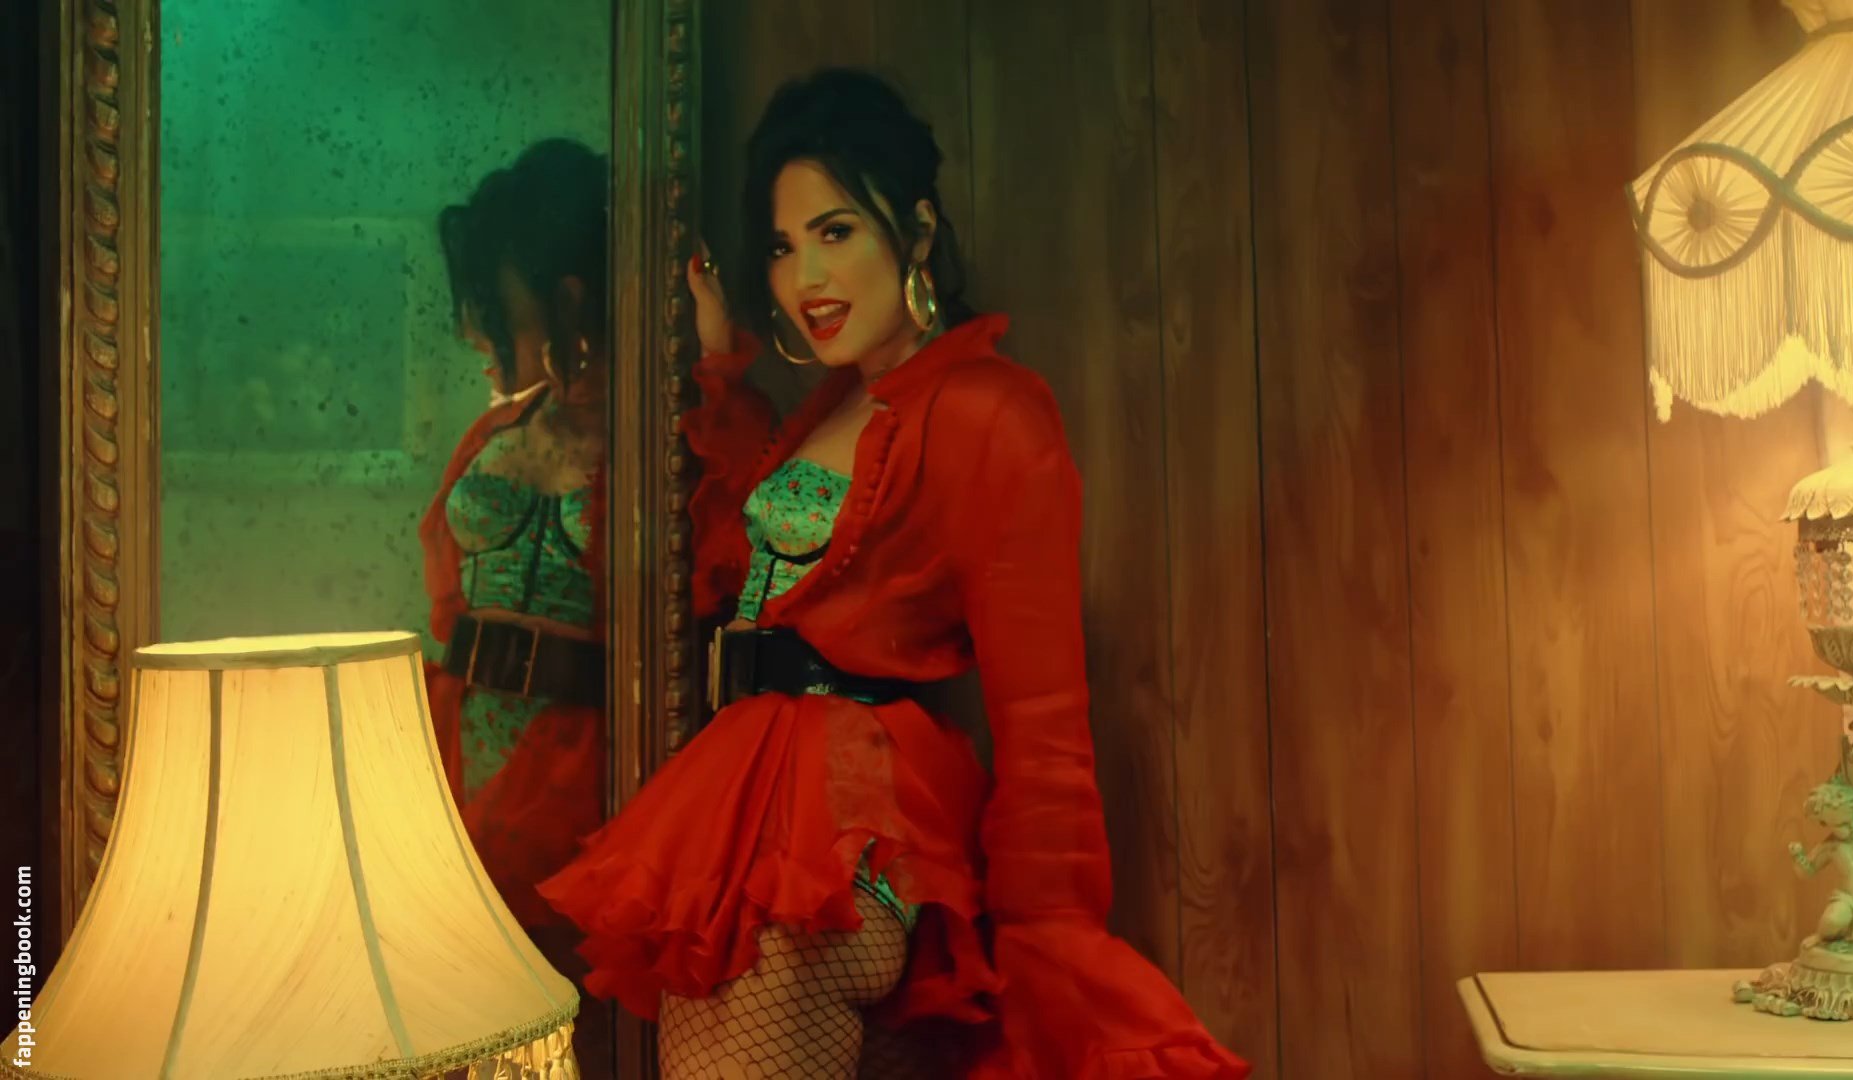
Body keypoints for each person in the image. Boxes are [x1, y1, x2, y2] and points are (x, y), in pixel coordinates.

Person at [538, 70, 1249, 1079]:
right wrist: (721, 369)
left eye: (835, 232)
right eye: (782, 246)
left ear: (915, 232)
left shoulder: (990, 410)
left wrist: (1051, 936)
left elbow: (1043, 718)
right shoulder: (837, 404)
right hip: (752, 816)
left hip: (844, 829)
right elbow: (757, 570)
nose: (805, 277)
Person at [419, 138, 614, 1075]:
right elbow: (447, 598)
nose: (472, 330)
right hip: (456, 748)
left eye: (493, 306)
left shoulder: (666, 433)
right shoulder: (496, 428)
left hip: (579, 772)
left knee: (541, 1027)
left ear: (567, 296)